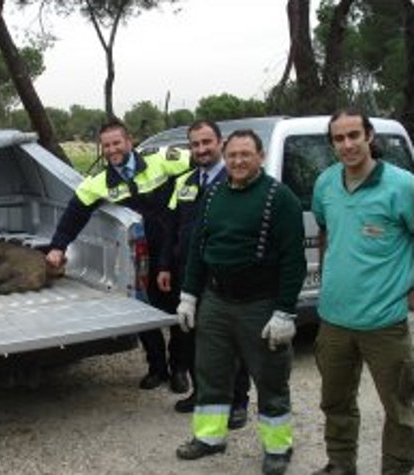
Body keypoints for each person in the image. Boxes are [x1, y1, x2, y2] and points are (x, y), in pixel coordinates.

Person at [174, 129, 306, 475]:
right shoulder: (213, 193)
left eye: (246, 154)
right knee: (211, 372)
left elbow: (295, 261)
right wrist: (189, 296)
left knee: (271, 378)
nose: (238, 161)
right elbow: (197, 251)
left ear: (260, 157)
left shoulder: (281, 199)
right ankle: (209, 438)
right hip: (215, 300)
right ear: (225, 155)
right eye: (232, 155)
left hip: (260, 304)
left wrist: (285, 312)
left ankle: (278, 447)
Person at [46, 119, 191, 391]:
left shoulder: (162, 159)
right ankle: (157, 367)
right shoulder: (99, 182)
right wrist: (58, 246)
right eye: (107, 145)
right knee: (144, 309)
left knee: (178, 308)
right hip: (138, 257)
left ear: (129, 141)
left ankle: (180, 368)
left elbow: (201, 164)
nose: (113, 150)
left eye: (117, 143)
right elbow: (74, 214)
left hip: (173, 248)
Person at [310, 109, 414, 475]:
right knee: (335, 401)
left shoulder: (403, 186)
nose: (348, 144)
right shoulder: (325, 183)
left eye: (354, 135)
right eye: (339, 138)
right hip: (334, 319)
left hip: (385, 321)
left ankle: (397, 469)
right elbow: (325, 231)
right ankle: (340, 464)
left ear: (369, 136)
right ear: (332, 144)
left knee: (402, 408)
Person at [162, 120, 251, 427]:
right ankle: (203, 394)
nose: (201, 149)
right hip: (188, 275)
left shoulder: (236, 180)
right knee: (194, 340)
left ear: (220, 143)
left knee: (232, 342)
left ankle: (238, 401)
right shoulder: (184, 182)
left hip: (223, 277)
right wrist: (164, 265)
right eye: (195, 144)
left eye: (206, 142)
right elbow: (171, 227)